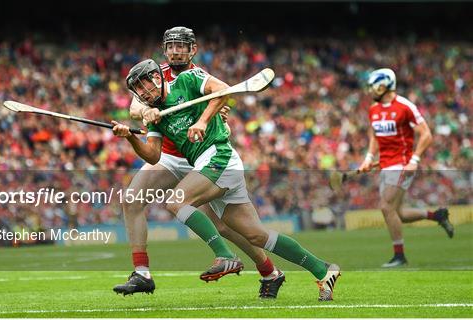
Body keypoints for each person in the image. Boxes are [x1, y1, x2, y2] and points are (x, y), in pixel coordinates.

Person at [112, 58, 341, 301]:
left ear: (158, 78)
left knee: (177, 201)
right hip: (209, 165)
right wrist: (130, 137)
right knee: (256, 236)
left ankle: (226, 256)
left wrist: (202, 121)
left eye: (147, 86)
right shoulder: (156, 116)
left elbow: (222, 90)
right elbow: (153, 154)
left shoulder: (186, 81)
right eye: (140, 90)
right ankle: (323, 270)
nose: (145, 92)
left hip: (218, 156)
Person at [114, 27, 284, 299]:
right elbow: (134, 107)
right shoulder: (153, 76)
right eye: (170, 46)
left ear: (193, 49)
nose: (175, 51)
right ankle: (142, 273)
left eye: (181, 46)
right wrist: (145, 111)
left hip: (200, 153)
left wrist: (212, 112)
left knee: (225, 226)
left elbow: (220, 97)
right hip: (168, 155)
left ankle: (269, 271)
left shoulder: (198, 77)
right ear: (164, 49)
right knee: (132, 199)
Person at [358, 68, 454, 268]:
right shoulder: (373, 109)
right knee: (398, 213)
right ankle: (437, 215)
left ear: (383, 85)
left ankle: (399, 256)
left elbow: (426, 134)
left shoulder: (405, 106)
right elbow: (374, 136)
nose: (370, 90)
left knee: (385, 207)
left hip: (402, 165)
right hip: (385, 165)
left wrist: (415, 159)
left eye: (372, 86)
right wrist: (368, 157)